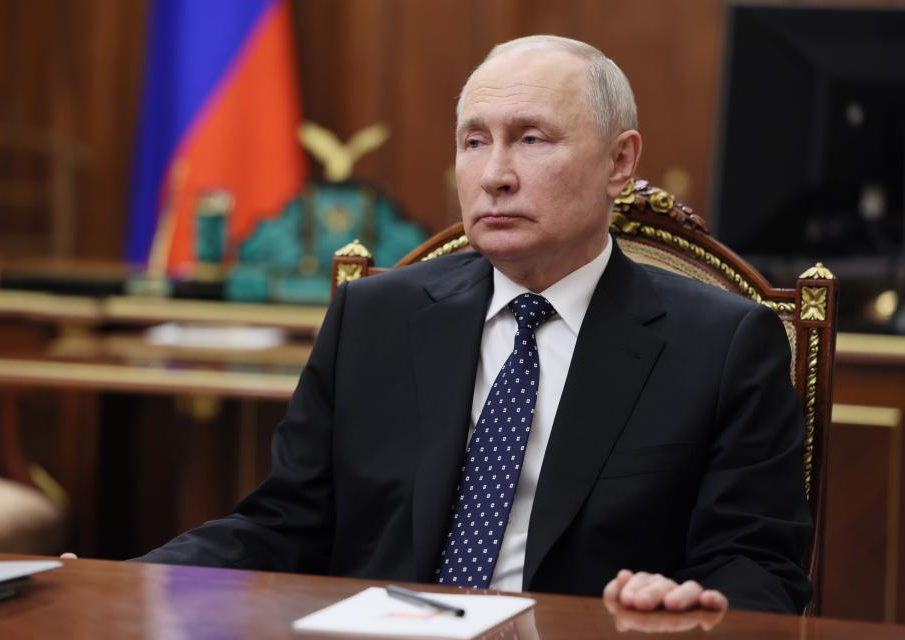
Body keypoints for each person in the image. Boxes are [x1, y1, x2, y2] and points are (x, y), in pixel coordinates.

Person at [130, 35, 811, 614]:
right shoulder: (375, 317)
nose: (494, 176)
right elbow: (285, 522)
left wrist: (689, 602)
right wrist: (139, 577)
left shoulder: (721, 345)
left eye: (531, 139)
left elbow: (760, 567)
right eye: (474, 141)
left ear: (620, 163)